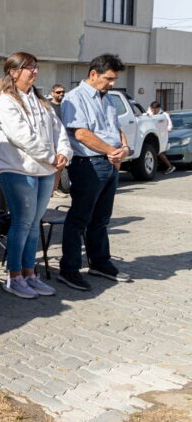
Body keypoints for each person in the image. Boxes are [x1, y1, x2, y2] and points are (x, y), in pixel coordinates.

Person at [0, 53, 72, 299]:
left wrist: (64, 153)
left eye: (36, 67)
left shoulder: (41, 101)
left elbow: (59, 130)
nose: (35, 72)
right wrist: (51, 156)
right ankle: (14, 275)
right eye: (29, 68)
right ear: (14, 72)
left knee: (35, 223)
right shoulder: (5, 101)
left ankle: (29, 273)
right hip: (17, 169)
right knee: (23, 221)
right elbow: (21, 136)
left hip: (44, 169)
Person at [58, 53, 133, 291]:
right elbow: (80, 133)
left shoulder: (107, 98)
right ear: (93, 74)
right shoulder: (74, 98)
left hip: (110, 163)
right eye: (109, 79)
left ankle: (100, 262)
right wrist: (112, 151)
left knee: (101, 219)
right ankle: (69, 270)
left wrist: (124, 148)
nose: (112, 84)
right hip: (88, 165)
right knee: (79, 219)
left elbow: (116, 128)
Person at [49, 84, 69, 197]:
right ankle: (50, 189)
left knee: (60, 166)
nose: (61, 94)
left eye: (63, 92)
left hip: (62, 140)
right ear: (52, 93)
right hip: (50, 139)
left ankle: (54, 189)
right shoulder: (47, 106)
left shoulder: (65, 106)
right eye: (58, 92)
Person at [147, 101, 176, 174]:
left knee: (159, 152)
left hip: (162, 135)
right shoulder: (149, 114)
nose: (154, 111)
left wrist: (166, 131)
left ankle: (170, 167)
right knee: (155, 151)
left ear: (159, 108)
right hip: (154, 136)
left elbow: (170, 125)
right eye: (152, 109)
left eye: (155, 109)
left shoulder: (164, 115)